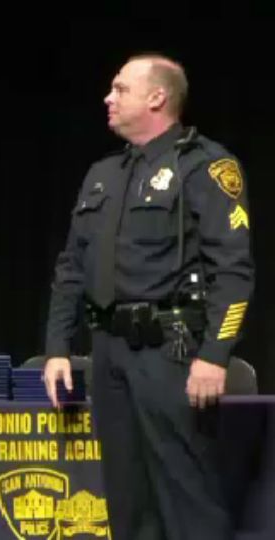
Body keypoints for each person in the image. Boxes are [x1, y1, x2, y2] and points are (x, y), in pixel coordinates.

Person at [43, 54, 253, 540]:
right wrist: (57, 347)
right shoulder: (103, 174)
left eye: (119, 89)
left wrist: (215, 354)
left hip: (171, 353)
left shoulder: (206, 166)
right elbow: (71, 267)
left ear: (156, 97)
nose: (107, 98)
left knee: (186, 495)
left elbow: (234, 272)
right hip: (110, 353)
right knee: (126, 497)